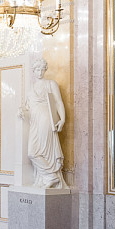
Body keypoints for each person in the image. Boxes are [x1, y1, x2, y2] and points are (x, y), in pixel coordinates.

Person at [20, 57, 68, 189]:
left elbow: (58, 102)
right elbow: (27, 107)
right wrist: (21, 111)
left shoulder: (51, 84)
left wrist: (62, 119)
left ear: (45, 70)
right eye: (37, 69)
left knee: (42, 151)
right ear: (33, 71)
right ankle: (51, 176)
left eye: (42, 69)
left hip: (46, 119)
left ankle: (50, 177)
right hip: (34, 122)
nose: (40, 72)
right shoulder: (30, 88)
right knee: (32, 152)